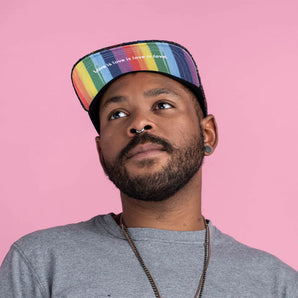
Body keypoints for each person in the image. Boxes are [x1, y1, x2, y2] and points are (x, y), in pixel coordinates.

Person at [0, 40, 297, 298]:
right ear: (101, 150)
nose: (139, 123)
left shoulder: (278, 284)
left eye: (162, 105)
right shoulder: (39, 262)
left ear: (207, 134)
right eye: (117, 113)